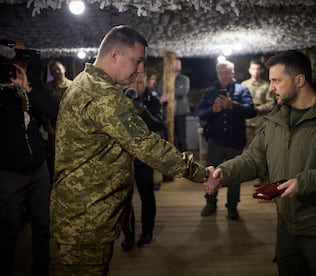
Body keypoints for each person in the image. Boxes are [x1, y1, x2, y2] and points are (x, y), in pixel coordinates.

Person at [50, 25, 213, 275]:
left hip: (80, 212)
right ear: (115, 55)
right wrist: (201, 173)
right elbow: (148, 146)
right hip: (88, 219)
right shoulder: (105, 95)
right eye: (137, 61)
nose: (140, 71)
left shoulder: (84, 81)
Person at [203, 50, 316, 276]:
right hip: (286, 225)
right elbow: (255, 158)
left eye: (276, 81)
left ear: (299, 80)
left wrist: (305, 182)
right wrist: (223, 172)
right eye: (270, 81)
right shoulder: (277, 118)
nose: (271, 88)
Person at [0, 46, 51, 276]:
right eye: (14, 61)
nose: (19, 65)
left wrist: (27, 88)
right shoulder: (3, 92)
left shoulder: (31, 84)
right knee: (8, 231)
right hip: (10, 172)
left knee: (42, 226)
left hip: (38, 169)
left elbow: (54, 110)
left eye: (22, 59)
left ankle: (41, 270)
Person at [198, 60, 256, 220]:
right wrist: (213, 110)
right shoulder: (210, 92)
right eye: (221, 73)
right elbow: (201, 113)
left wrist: (232, 105)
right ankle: (210, 203)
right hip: (215, 140)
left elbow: (251, 111)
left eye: (227, 72)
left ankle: (232, 206)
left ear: (233, 73)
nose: (224, 75)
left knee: (234, 175)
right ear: (217, 74)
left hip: (235, 141)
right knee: (210, 174)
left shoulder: (242, 90)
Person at [121, 72, 166, 251]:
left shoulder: (153, 100)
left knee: (147, 195)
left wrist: (143, 113)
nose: (136, 84)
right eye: (132, 80)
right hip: (124, 156)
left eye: (139, 81)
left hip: (144, 157)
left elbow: (159, 124)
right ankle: (128, 235)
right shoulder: (121, 97)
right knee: (125, 199)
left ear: (146, 82)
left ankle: (147, 232)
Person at [44, 60, 72, 180]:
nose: (56, 72)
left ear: (64, 69)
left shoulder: (73, 86)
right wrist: (48, 127)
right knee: (54, 159)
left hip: (71, 128)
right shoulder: (48, 88)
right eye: (53, 70)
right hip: (54, 128)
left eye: (58, 69)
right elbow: (44, 109)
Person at [158, 58, 190, 152]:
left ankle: (185, 160)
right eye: (174, 63)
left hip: (180, 112)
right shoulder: (165, 78)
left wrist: (168, 92)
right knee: (170, 137)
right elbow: (160, 90)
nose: (176, 65)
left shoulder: (184, 79)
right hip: (167, 112)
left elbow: (182, 92)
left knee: (181, 137)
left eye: (178, 64)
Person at [241, 59, 274, 146]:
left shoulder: (266, 85)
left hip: (261, 122)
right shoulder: (244, 85)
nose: (255, 71)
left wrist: (259, 108)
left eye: (258, 69)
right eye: (253, 69)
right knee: (248, 147)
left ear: (261, 70)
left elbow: (271, 103)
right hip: (247, 122)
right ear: (249, 70)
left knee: (261, 146)